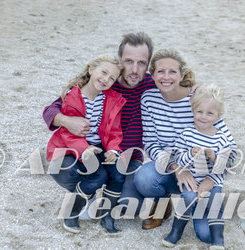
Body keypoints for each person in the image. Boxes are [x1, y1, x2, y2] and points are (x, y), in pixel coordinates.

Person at [43, 33, 170, 230]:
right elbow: (51, 110)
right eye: (128, 61)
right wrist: (67, 121)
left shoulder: (153, 86)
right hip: (92, 149)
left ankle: (107, 211)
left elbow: (181, 92)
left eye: (141, 63)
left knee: (128, 206)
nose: (134, 69)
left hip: (127, 157)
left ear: (148, 66)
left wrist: (191, 90)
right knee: (64, 167)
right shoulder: (105, 84)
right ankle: (87, 195)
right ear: (120, 61)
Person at [134, 49, 237, 230]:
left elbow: (230, 151)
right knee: (144, 178)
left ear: (181, 74)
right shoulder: (148, 99)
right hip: (171, 165)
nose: (166, 77)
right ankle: (162, 203)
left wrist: (212, 179)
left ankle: (199, 201)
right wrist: (176, 167)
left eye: (172, 71)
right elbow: (150, 144)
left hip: (203, 173)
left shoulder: (198, 98)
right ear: (152, 75)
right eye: (160, 71)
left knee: (205, 234)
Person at [46, 54, 126, 233]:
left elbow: (115, 131)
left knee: (118, 174)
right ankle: (72, 212)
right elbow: (67, 132)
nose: (106, 79)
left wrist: (113, 149)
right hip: (76, 147)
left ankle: (107, 216)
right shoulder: (73, 97)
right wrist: (85, 149)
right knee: (96, 176)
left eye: (112, 78)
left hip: (100, 148)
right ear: (91, 69)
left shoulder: (111, 100)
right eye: (103, 72)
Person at [161, 84, 236, 250]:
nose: (203, 117)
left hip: (212, 182)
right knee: (187, 199)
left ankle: (218, 239)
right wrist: (190, 154)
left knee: (214, 202)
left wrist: (214, 158)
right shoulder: (187, 134)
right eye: (199, 112)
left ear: (218, 116)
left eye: (210, 113)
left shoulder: (221, 138)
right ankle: (175, 233)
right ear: (193, 111)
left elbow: (225, 166)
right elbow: (178, 159)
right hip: (191, 180)